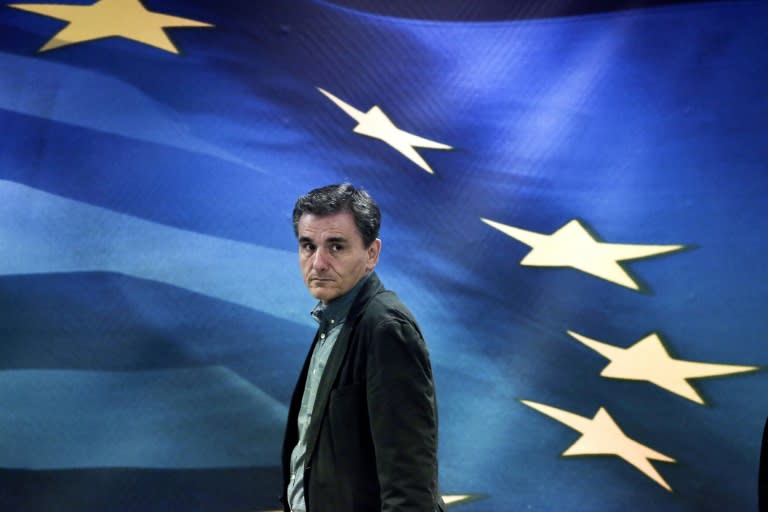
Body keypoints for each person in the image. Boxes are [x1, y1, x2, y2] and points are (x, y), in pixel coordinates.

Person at [281, 183, 445, 512]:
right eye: (308, 246)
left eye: (336, 247)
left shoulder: (385, 328)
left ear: (372, 253)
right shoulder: (335, 318)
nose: (318, 263)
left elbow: (409, 482)